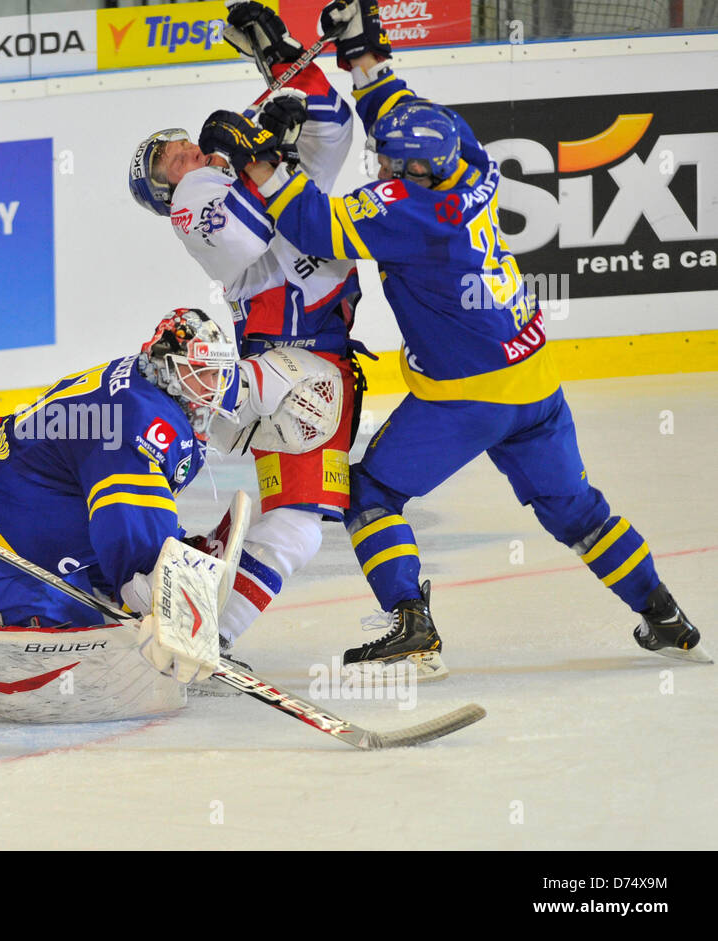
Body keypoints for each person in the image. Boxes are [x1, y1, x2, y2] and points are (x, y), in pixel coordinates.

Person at [213, 0, 709, 675]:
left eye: (389, 162)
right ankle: (665, 613)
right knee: (580, 512)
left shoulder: (413, 215)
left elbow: (312, 225)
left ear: (415, 174)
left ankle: (411, 623)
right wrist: (362, 53)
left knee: (371, 495)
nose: (380, 164)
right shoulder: (465, 156)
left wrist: (261, 159)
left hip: (467, 401)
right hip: (535, 383)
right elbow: (397, 106)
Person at [127, 1, 365, 651]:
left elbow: (336, 130)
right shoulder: (192, 202)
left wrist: (286, 61)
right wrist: (264, 156)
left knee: (295, 526)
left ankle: (170, 582)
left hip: (322, 362)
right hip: (283, 371)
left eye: (176, 143)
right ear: (162, 193)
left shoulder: (244, 164)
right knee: (298, 530)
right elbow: (247, 230)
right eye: (164, 162)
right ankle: (216, 631)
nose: (177, 151)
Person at [0, 308, 239, 631]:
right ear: (168, 372)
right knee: (75, 644)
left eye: (217, 373)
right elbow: (125, 517)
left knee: (112, 618)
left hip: (4, 486)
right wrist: (154, 583)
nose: (213, 387)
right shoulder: (137, 423)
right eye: (200, 372)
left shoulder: (145, 384)